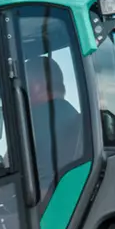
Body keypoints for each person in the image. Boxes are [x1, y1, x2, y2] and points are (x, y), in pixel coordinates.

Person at [25, 55, 84, 189]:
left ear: (37, 86)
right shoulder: (76, 118)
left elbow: (4, 188)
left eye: (25, 84)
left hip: (43, 201)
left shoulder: (29, 123)